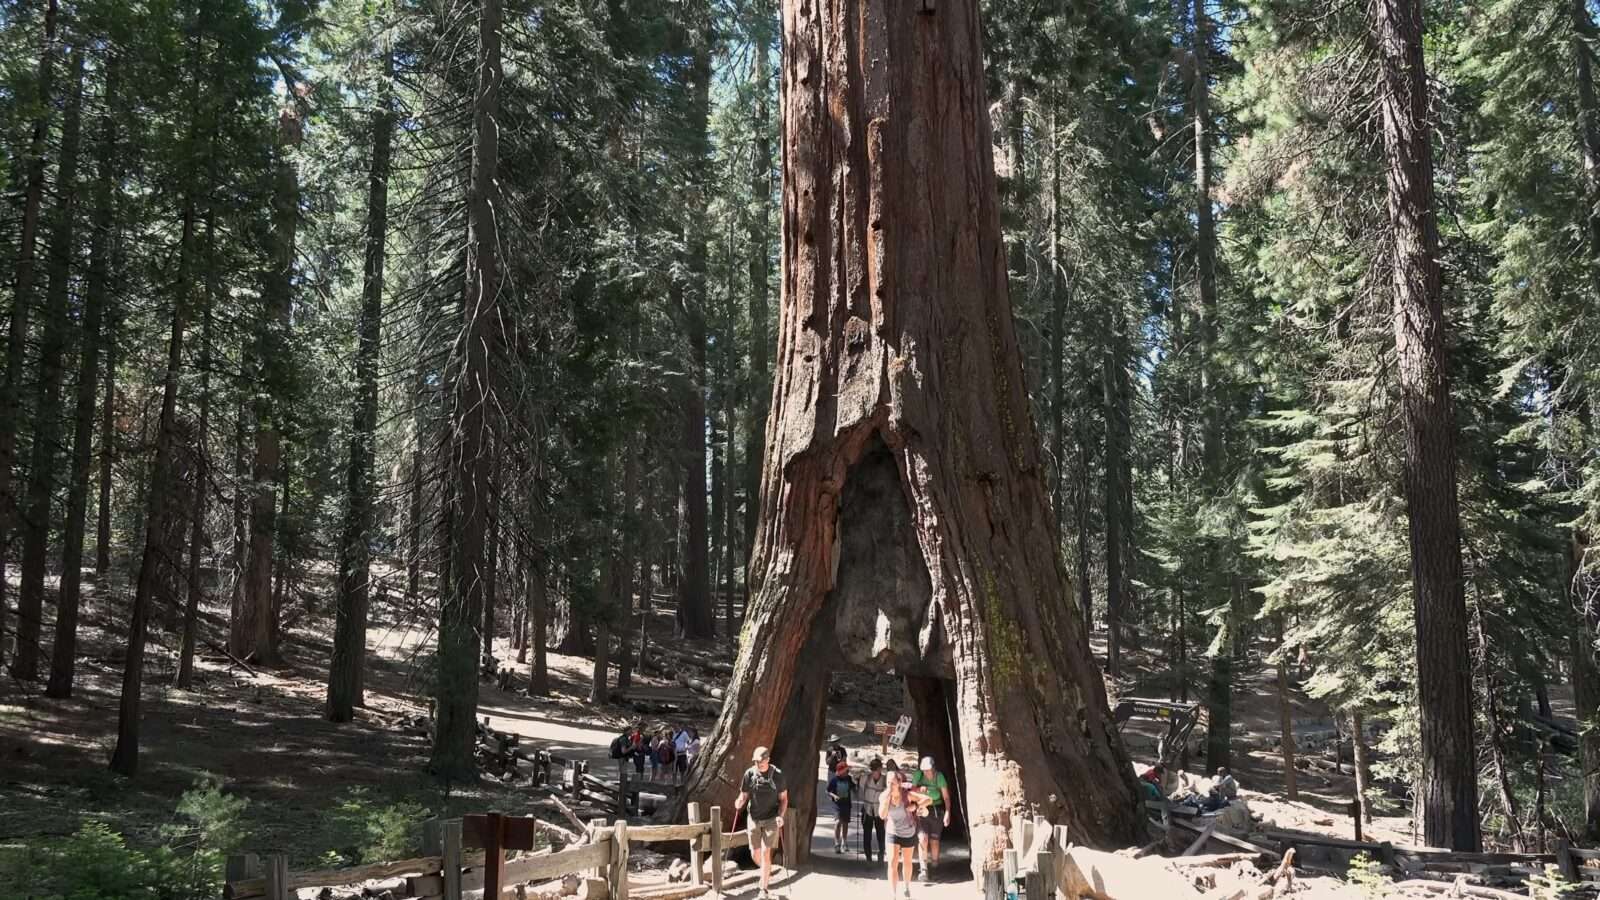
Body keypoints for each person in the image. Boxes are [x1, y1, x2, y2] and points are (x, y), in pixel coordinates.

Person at [736, 746, 788, 900]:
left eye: (760, 761)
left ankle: (763, 889)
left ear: (767, 760)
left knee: (766, 853)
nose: (758, 764)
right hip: (753, 818)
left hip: (772, 818)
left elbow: (784, 799)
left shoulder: (778, 775)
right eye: (756, 761)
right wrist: (739, 802)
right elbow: (744, 795)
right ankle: (766, 870)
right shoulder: (749, 774)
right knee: (755, 853)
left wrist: (781, 815)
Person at [908, 756, 950, 882]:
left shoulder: (939, 777)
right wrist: (920, 789)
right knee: (922, 838)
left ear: (933, 768)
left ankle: (935, 865)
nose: (926, 772)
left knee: (934, 841)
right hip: (922, 808)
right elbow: (911, 791)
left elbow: (946, 797)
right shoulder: (918, 775)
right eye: (924, 770)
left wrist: (948, 812)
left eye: (928, 770)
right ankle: (923, 869)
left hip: (936, 810)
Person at [881, 770, 919, 899]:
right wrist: (886, 801)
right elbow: (882, 815)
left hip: (908, 831)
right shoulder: (884, 796)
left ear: (899, 783)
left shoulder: (907, 794)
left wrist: (915, 807)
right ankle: (893, 894)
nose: (890, 785)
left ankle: (907, 887)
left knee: (907, 862)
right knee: (892, 862)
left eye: (892, 782)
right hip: (892, 831)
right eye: (888, 782)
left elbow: (923, 800)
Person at [860, 757, 888, 864]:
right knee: (867, 835)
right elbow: (860, 789)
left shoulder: (885, 780)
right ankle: (868, 858)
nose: (874, 772)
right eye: (872, 769)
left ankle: (881, 855)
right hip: (867, 810)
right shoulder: (865, 778)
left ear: (880, 769)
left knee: (881, 835)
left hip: (880, 811)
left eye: (876, 769)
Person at [827, 760, 855, 854]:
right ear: (841, 771)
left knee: (845, 823)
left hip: (847, 804)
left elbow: (853, 788)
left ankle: (844, 842)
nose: (847, 772)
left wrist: (857, 783)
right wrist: (834, 796)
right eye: (846, 771)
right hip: (837, 805)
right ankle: (836, 843)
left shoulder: (849, 779)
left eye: (848, 771)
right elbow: (828, 791)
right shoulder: (834, 780)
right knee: (838, 822)